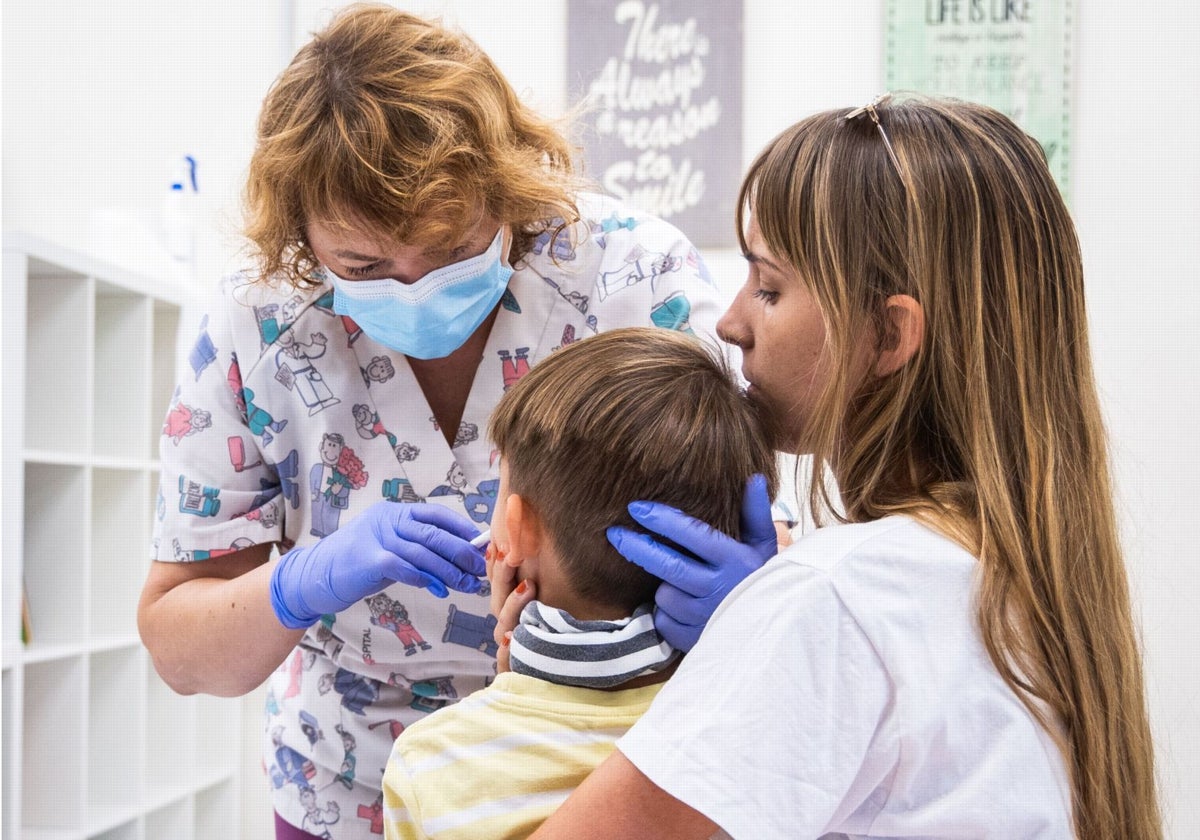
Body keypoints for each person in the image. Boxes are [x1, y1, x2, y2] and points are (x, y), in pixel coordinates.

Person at [135, 6, 763, 839]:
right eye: (363, 267)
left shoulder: (630, 277)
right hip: (350, 780)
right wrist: (299, 584)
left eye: (453, 247)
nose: (415, 287)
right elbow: (180, 649)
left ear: (508, 188)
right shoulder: (257, 327)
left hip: (608, 773)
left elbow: (754, 524)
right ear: (301, 241)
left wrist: (750, 606)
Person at [513, 96, 1162, 838]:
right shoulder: (1027, 583)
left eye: (769, 287)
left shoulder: (836, 597)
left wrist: (526, 693)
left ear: (888, 333)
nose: (730, 324)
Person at [380, 326, 779, 839]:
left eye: (498, 492)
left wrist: (515, 689)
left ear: (516, 532)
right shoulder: (750, 732)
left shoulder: (431, 761)